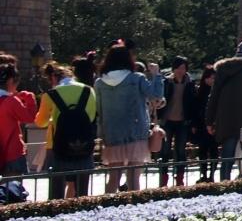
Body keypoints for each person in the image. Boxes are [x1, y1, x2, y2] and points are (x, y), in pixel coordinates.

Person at [95, 43, 164, 193]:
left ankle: (108, 204)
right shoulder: (136, 78)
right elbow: (156, 95)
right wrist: (157, 75)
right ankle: (134, 204)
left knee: (113, 178)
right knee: (133, 178)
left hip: (112, 133)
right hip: (135, 132)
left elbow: (99, 110)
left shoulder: (100, 83)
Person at [36, 58, 98, 199]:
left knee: (56, 192)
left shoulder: (50, 94)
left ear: (53, 77)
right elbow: (92, 116)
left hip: (58, 145)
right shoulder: (89, 91)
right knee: (82, 192)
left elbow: (41, 122)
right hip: (84, 144)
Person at [207, 38, 242, 181]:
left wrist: (209, 121)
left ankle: (224, 184)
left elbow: (213, 97)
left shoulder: (222, 69)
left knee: (227, 156)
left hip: (226, 119)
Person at [158, 56, 198, 187]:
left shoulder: (190, 84)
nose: (181, 71)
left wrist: (192, 121)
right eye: (178, 68)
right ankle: (164, 178)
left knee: (180, 150)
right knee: (165, 151)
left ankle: (180, 178)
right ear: (173, 69)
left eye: (183, 68)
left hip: (183, 121)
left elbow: (193, 103)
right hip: (167, 121)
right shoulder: (166, 82)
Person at [0, 59, 39, 176]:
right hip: (13, 154)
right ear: (11, 81)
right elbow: (29, 118)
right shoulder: (11, 101)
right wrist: (30, 99)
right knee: (16, 186)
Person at [191, 66, 218, 182]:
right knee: (202, 151)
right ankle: (203, 174)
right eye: (211, 78)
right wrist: (194, 124)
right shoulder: (200, 92)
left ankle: (212, 174)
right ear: (205, 78)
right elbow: (195, 109)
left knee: (214, 151)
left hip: (214, 125)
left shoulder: (217, 92)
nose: (212, 80)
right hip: (201, 125)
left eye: (214, 78)